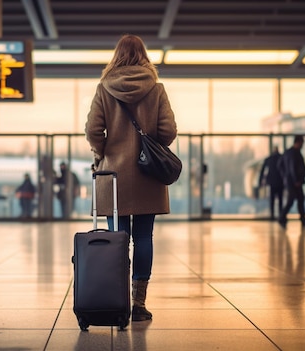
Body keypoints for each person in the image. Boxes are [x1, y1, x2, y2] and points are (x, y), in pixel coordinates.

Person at [85, 34, 177, 322]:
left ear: (116, 55)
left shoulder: (104, 88)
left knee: (119, 238)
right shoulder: (156, 89)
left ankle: (118, 298)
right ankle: (139, 303)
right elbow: (168, 131)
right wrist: (151, 145)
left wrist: (102, 153)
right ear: (144, 55)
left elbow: (92, 130)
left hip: (114, 176)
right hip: (148, 175)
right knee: (143, 237)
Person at [277, 135, 305, 229]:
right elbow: (293, 167)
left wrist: (285, 176)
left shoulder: (288, 152)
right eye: (302, 143)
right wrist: (295, 179)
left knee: (297, 200)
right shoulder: (294, 153)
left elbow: (280, 165)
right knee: (294, 200)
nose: (303, 145)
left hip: (291, 181)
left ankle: (298, 220)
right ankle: (283, 218)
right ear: (298, 142)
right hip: (295, 182)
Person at [258, 146, 284, 221]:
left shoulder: (269, 159)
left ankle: (272, 215)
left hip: (272, 182)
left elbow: (262, 171)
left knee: (272, 200)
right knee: (280, 200)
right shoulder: (281, 158)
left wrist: (260, 181)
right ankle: (281, 216)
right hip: (280, 182)